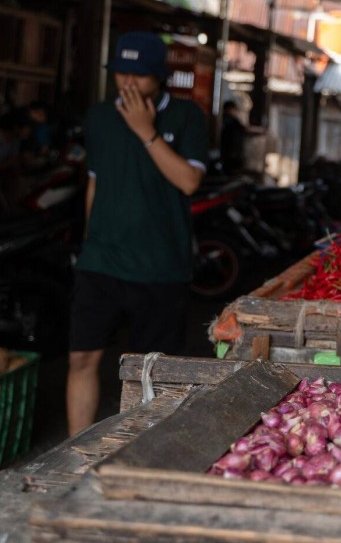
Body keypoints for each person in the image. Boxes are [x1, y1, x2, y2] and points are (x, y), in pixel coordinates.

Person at [66, 31, 209, 435]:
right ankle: (74, 453)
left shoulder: (186, 117)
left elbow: (188, 182)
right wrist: (90, 243)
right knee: (81, 360)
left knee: (151, 371)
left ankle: (142, 452)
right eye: (121, 73)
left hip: (160, 267)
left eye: (139, 74)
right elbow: (95, 184)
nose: (128, 82)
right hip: (102, 263)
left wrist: (146, 131)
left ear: (159, 77)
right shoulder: (98, 118)